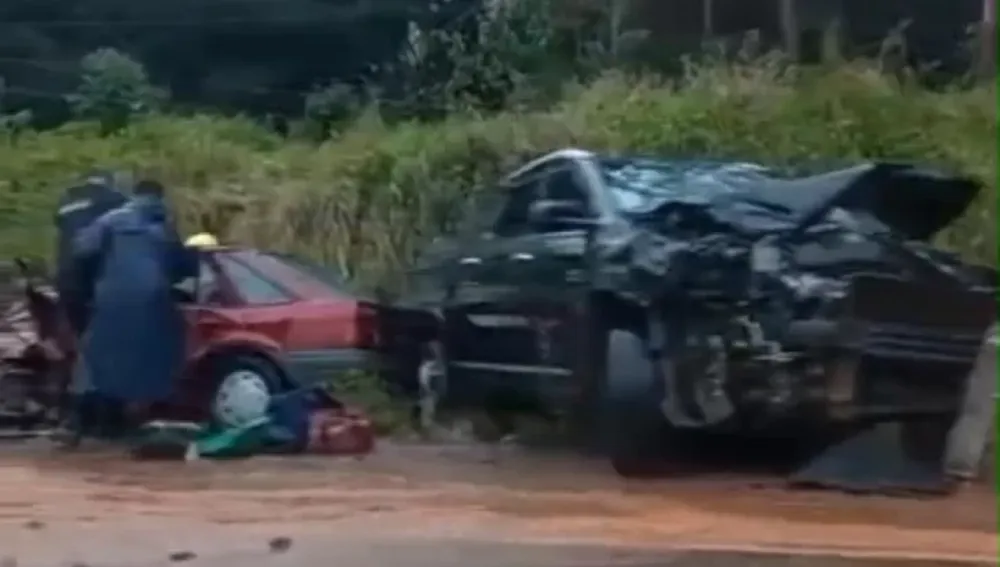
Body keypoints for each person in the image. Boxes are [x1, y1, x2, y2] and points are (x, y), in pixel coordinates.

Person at [70, 179, 199, 437]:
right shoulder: (166, 227)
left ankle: (92, 421)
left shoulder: (110, 220)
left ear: (134, 195)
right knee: (150, 357)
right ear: (160, 198)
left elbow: (82, 250)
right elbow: (184, 267)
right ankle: (139, 418)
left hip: (111, 297)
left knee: (99, 355)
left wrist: (89, 286)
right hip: (155, 300)